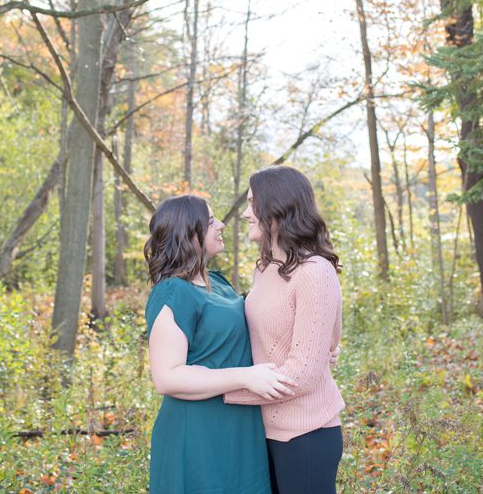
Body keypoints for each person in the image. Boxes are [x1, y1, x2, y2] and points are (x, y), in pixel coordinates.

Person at [144, 194, 296, 493]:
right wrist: (244, 376)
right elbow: (167, 376)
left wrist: (308, 347)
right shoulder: (173, 292)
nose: (222, 224)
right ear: (189, 232)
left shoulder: (219, 283)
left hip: (242, 428)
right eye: (211, 220)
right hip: (198, 432)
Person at [224, 166, 345, 494]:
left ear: (277, 208)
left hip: (306, 437)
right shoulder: (264, 269)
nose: (247, 214)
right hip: (261, 432)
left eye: (253, 204)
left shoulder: (315, 272)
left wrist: (222, 394)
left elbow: (305, 371)